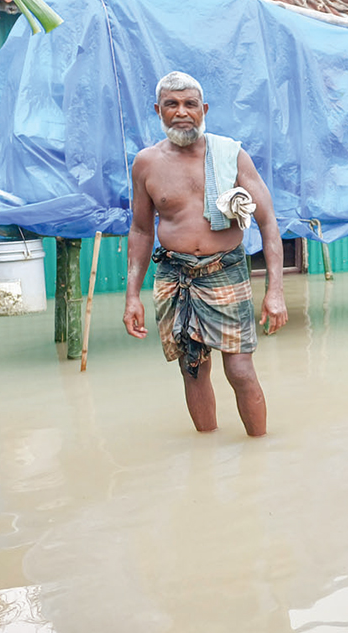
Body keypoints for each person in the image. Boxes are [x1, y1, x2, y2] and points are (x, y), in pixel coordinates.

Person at [123, 71, 287, 437]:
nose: (182, 112)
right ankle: (207, 455)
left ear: (204, 109)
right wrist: (132, 295)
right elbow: (141, 229)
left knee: (241, 369)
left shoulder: (231, 155)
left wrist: (275, 291)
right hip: (174, 275)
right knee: (192, 367)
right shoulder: (146, 163)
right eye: (172, 104)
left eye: (190, 104)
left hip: (224, 271)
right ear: (159, 110)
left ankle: (259, 454)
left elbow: (268, 222)